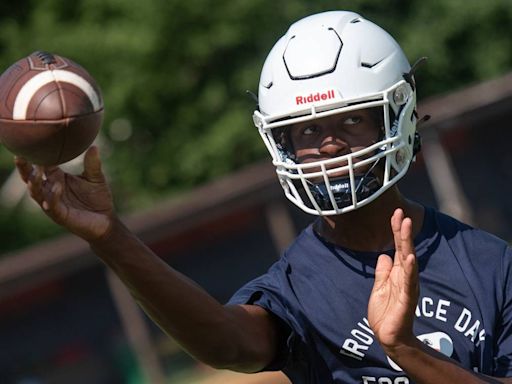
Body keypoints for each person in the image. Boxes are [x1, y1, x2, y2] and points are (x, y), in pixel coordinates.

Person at [15, 10, 512, 384]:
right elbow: (231, 344)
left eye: (352, 120)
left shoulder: (490, 264)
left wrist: (407, 349)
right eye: (307, 128)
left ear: (397, 117)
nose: (330, 143)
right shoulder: (297, 286)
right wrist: (111, 238)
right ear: (281, 142)